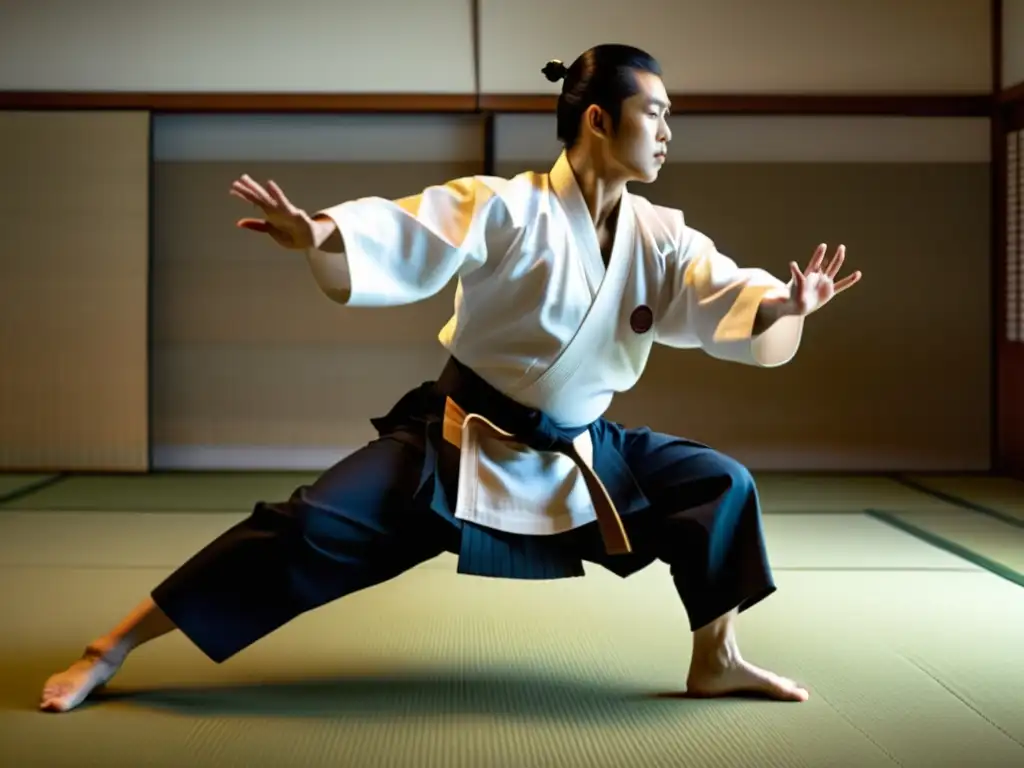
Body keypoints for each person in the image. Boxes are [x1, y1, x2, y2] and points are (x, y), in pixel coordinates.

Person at [40, 44, 860, 713]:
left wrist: (786, 305)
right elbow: (403, 229)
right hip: (456, 442)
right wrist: (319, 235)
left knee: (717, 484)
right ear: (600, 119)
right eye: (656, 113)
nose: (669, 132)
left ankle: (717, 659)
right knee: (298, 531)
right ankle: (109, 646)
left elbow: (732, 299)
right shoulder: (509, 207)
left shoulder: (662, 236)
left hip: (579, 454)